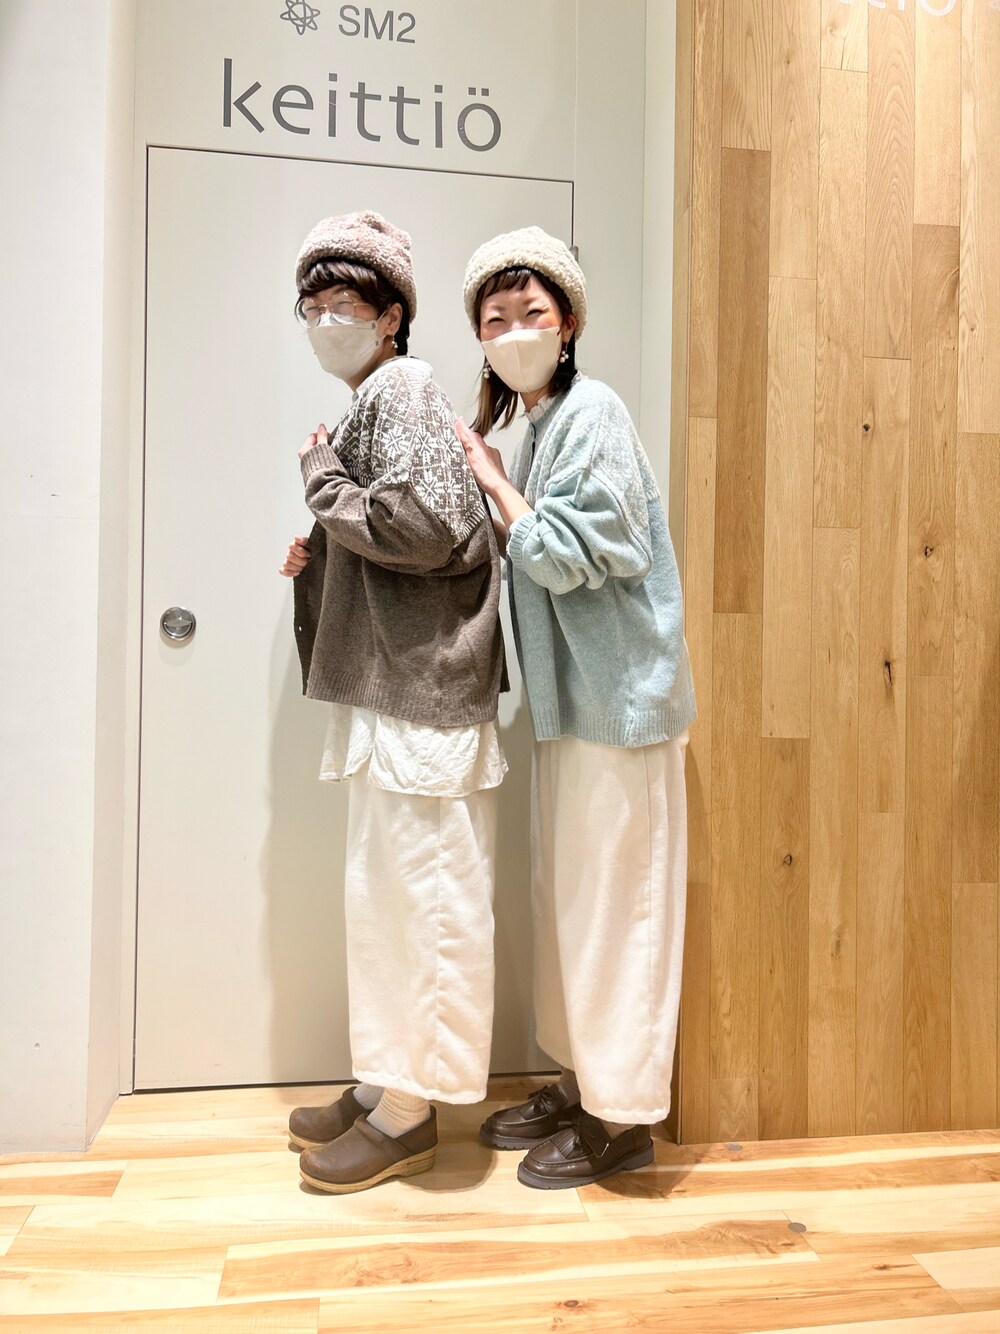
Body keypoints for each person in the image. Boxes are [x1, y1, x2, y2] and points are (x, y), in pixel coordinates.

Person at [455, 226, 696, 1189]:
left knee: (618, 911)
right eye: (496, 318)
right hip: (576, 707)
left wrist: (493, 481)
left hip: (620, 707)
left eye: (533, 313)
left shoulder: (593, 413)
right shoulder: (543, 424)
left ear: (568, 324)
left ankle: (622, 1118)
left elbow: (561, 555)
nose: (515, 331)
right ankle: (580, 1081)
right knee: (571, 904)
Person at [279, 210, 506, 1194]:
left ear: (391, 317)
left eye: (346, 303)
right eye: (313, 305)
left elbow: (421, 525)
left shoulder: (402, 387)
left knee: (425, 902)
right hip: (400, 695)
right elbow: (399, 534)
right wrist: (321, 554)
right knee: (387, 899)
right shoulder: (379, 394)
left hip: (422, 698)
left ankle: (410, 1116)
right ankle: (384, 1084)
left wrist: (322, 483)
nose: (326, 320)